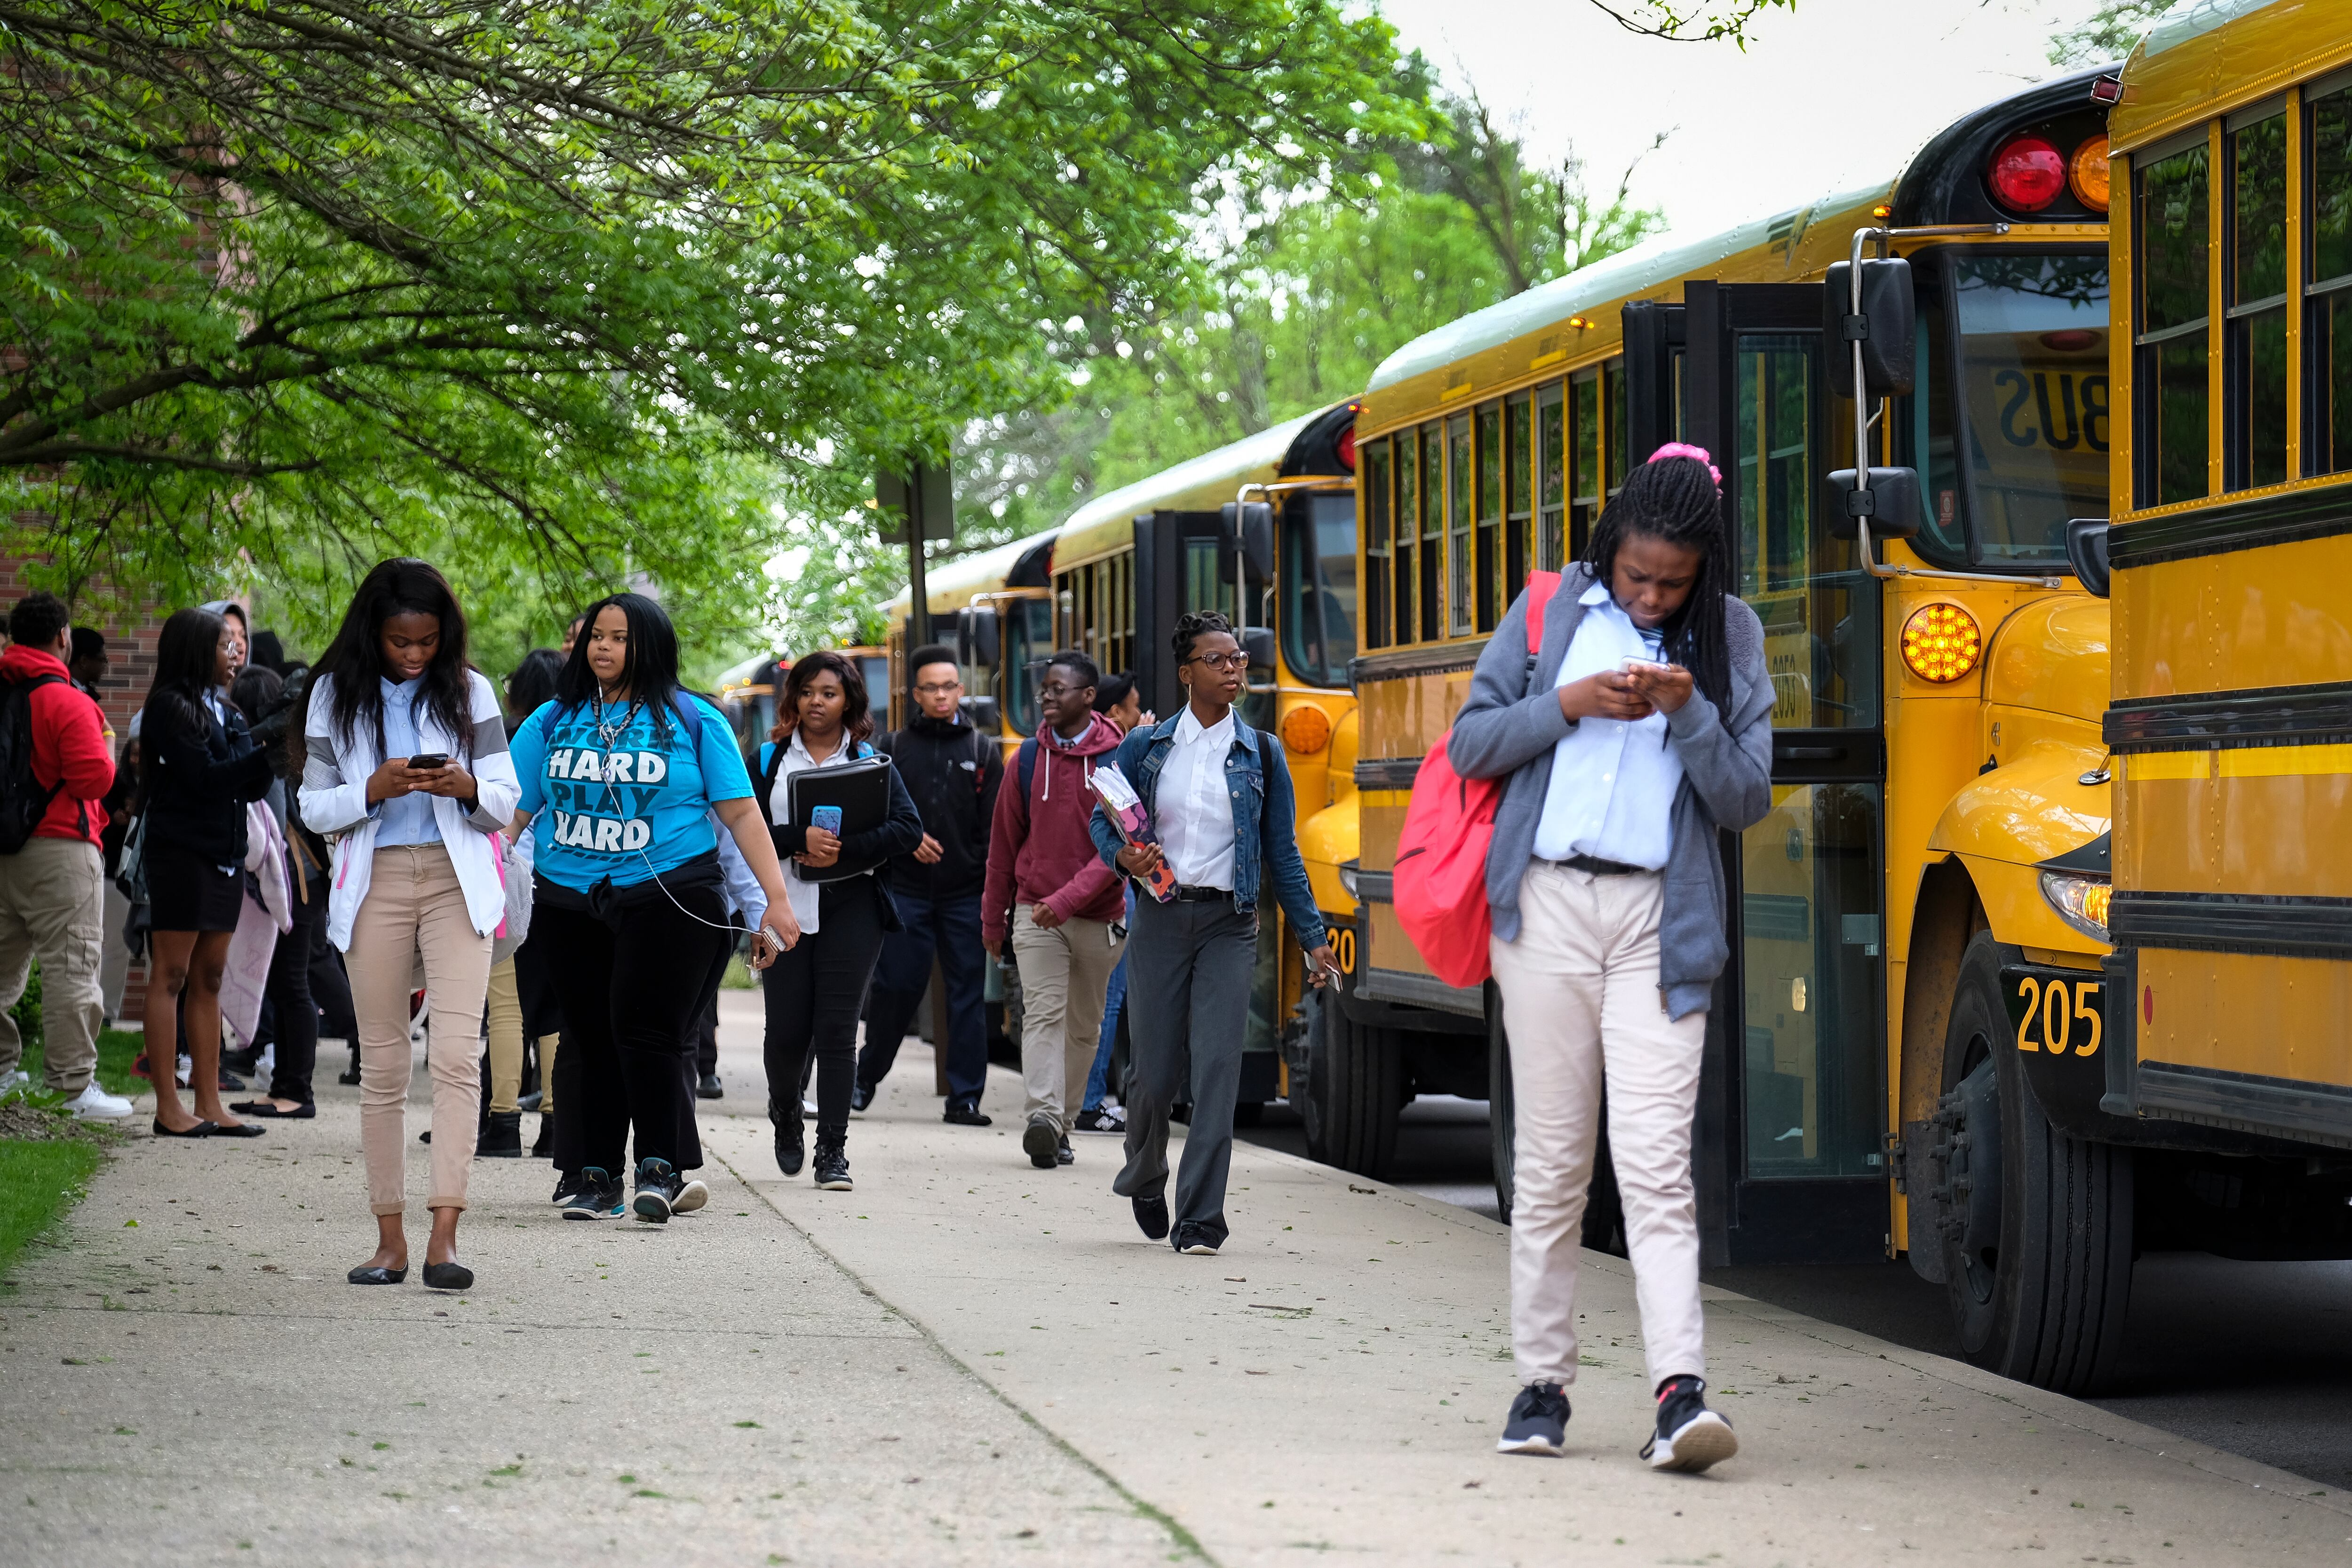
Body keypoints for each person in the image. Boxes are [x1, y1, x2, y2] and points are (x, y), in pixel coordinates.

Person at [1449, 446, 1771, 1473]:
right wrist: (1573, 704)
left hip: (1657, 928)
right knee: (1549, 1165)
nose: (1648, 595)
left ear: (1703, 573)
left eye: (1671, 583)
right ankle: (1541, 1385)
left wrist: (1688, 709)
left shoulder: (1728, 637)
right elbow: (1471, 744)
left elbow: (1745, 798)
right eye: (1635, 574)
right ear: (1610, 548)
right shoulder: (1550, 613)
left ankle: (1681, 1397)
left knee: (1655, 1167)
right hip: (1542, 908)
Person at [508, 592, 794, 1225]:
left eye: (620, 638)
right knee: (587, 1036)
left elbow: (742, 813)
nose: (604, 648)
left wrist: (773, 899)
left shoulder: (694, 719)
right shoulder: (552, 720)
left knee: (649, 1031)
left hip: (671, 894)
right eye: (597, 637)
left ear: (651, 646)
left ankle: (661, 1167)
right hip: (569, 898)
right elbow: (513, 813)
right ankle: (595, 1174)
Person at [298, 559, 520, 1289]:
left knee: (458, 1058)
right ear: (374, 632)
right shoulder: (333, 695)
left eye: (427, 640)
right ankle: (389, 1239)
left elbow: (505, 796)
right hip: (377, 883)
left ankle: (444, 1238)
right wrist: (372, 787)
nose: (415, 654)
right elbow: (312, 805)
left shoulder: (471, 690)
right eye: (400, 641)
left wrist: (464, 787)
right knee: (384, 1067)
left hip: (458, 881)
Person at [1089, 611, 1335, 1257]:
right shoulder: (1145, 748)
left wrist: (1313, 937)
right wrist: (1124, 858)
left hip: (1230, 923)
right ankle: (1145, 1173)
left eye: (1239, 660)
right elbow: (1102, 820)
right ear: (1186, 671)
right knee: (1153, 1074)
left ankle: (1200, 1218)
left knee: (1220, 1069)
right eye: (1218, 659)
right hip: (1162, 918)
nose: (1234, 669)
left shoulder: (1263, 752)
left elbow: (1281, 851)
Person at [755, 650, 920, 1190]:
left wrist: (843, 850)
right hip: (784, 907)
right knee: (785, 1032)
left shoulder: (872, 762)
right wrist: (794, 840)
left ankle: (832, 1151)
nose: (816, 703)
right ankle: (785, 1117)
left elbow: (906, 831)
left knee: (837, 1029)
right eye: (806, 693)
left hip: (853, 907)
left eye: (828, 693)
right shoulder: (767, 759)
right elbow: (742, 827)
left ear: (848, 700)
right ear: (793, 700)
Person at [137, 605, 280, 1138]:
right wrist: (266, 744)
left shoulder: (226, 710)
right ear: (197, 651)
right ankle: (168, 1108)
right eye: (225, 645)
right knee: (171, 975)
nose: (236, 653)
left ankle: (210, 1102)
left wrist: (268, 745)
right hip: (181, 855)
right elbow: (206, 779)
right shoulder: (170, 709)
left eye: (236, 645)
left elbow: (250, 786)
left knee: (211, 978)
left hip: (224, 856)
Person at [983, 651, 1125, 1170]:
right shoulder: (1024, 761)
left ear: (1088, 697)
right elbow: (1002, 846)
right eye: (1043, 687)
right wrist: (992, 919)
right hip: (1033, 910)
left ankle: (1061, 1125)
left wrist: (1064, 901)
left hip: (1099, 915)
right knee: (1042, 1013)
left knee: (1083, 1028)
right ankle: (1042, 1118)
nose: (1046, 696)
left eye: (1057, 688)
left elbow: (1121, 850)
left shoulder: (1119, 759)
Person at [855, 645, 1001, 1125]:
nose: (941, 695)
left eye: (949, 686)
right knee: (895, 987)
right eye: (931, 688)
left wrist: (977, 873)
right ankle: (864, 1079)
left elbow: (994, 829)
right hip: (907, 891)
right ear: (916, 693)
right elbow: (873, 818)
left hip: (964, 894)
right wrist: (907, 840)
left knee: (966, 996)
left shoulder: (981, 750)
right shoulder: (892, 749)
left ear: (961, 690)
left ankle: (964, 1099)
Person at [0, 592, 133, 1119]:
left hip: (4, 849)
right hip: (59, 849)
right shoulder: (70, 701)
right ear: (63, 637)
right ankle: (74, 1087)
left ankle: (4, 1073)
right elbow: (94, 779)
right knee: (72, 966)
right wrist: (107, 744)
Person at [482, 647, 565, 1161]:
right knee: (557, 1009)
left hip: (509, 881)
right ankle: (556, 1123)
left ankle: (503, 1123)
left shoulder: (510, 746)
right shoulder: (578, 738)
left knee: (506, 1008)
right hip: (561, 884)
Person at [1074, 672, 1147, 1135]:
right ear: (1116, 713)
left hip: (1085, 890)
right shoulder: (1119, 754)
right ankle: (1087, 1101)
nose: (1140, 715)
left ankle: (1079, 1097)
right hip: (1113, 889)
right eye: (1134, 708)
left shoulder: (1079, 752)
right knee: (1108, 999)